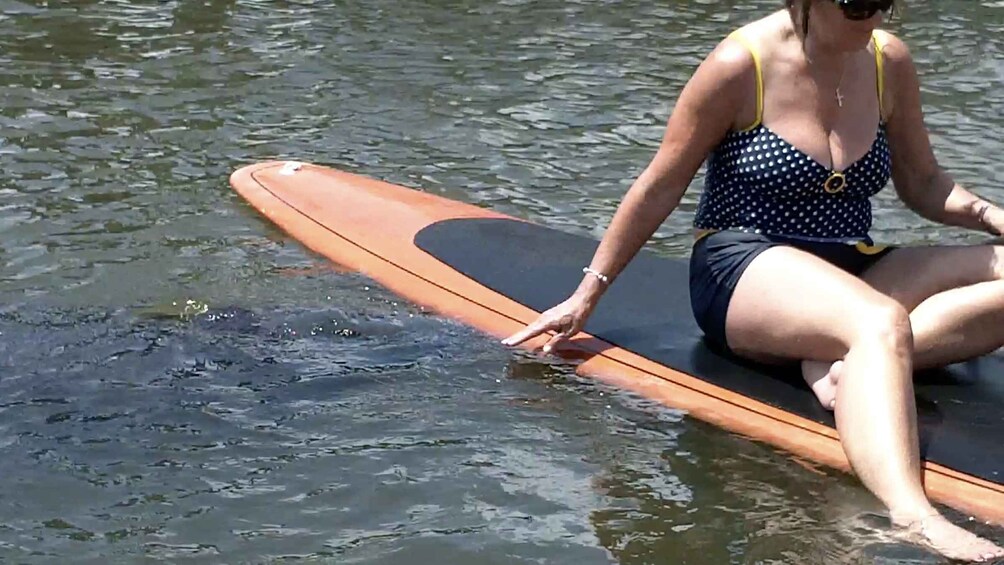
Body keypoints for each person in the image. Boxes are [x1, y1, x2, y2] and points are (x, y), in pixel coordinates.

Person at [501, 0, 1004, 561]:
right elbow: (658, 187)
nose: (873, 15)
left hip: (852, 260)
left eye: (884, 0)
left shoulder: (889, 61)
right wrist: (586, 293)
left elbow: (925, 181)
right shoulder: (741, 65)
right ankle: (911, 514)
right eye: (856, 2)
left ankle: (851, 364)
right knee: (880, 321)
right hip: (744, 263)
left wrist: (991, 217)